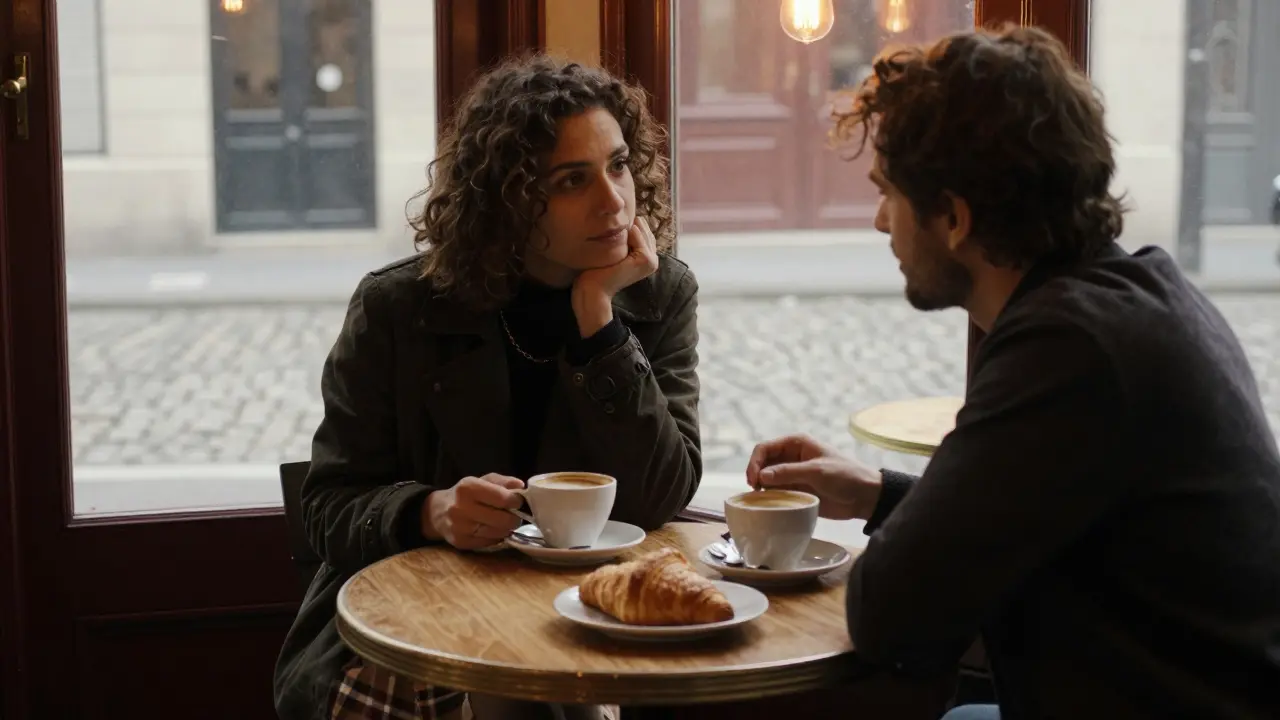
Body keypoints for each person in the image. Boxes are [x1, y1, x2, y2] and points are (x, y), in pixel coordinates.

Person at [747, 25, 1280, 719]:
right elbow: (1038, 520)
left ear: (956, 218)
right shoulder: (1132, 292)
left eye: (890, 193)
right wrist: (879, 493)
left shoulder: (1070, 347)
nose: (881, 223)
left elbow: (888, 614)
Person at [273, 55, 703, 720]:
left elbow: (658, 496)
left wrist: (600, 326)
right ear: (509, 199)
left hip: (585, 621)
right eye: (571, 180)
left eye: (618, 165)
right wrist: (430, 511)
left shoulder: (658, 295)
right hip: (419, 623)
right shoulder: (400, 309)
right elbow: (328, 506)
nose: (614, 200)